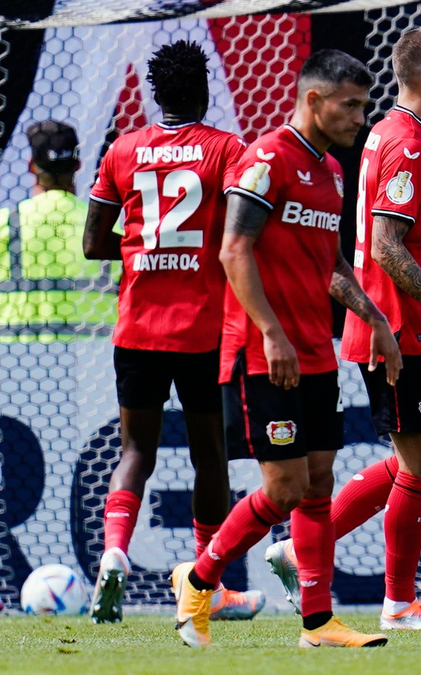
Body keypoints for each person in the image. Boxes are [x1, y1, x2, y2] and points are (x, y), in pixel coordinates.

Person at [170, 49, 401, 649]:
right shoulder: (267, 159)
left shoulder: (331, 171)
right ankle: (198, 581)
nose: (359, 117)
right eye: (350, 106)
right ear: (314, 100)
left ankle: (318, 624)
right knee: (285, 490)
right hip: (261, 351)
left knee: (320, 481)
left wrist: (374, 316)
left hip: (315, 351)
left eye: (364, 106)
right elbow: (232, 251)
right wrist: (270, 332)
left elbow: (331, 267)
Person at [263, 28, 421, 631]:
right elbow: (386, 247)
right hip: (398, 330)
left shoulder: (400, 137)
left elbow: (420, 247)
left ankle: (302, 549)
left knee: (420, 458)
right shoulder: (407, 144)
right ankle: (397, 603)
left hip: (406, 325)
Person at [81, 40, 263, 625]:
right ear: (204, 93)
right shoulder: (227, 150)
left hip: (136, 327)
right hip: (202, 332)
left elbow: (92, 243)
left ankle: (114, 552)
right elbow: (242, 235)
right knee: (210, 458)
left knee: (137, 450)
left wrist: (140, 250)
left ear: (155, 93)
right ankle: (205, 587)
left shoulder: (123, 150)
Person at [0, 120, 116, 338]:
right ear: (78, 165)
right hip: (96, 354)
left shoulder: (6, 224)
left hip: (15, 356)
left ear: (30, 165)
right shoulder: (110, 226)